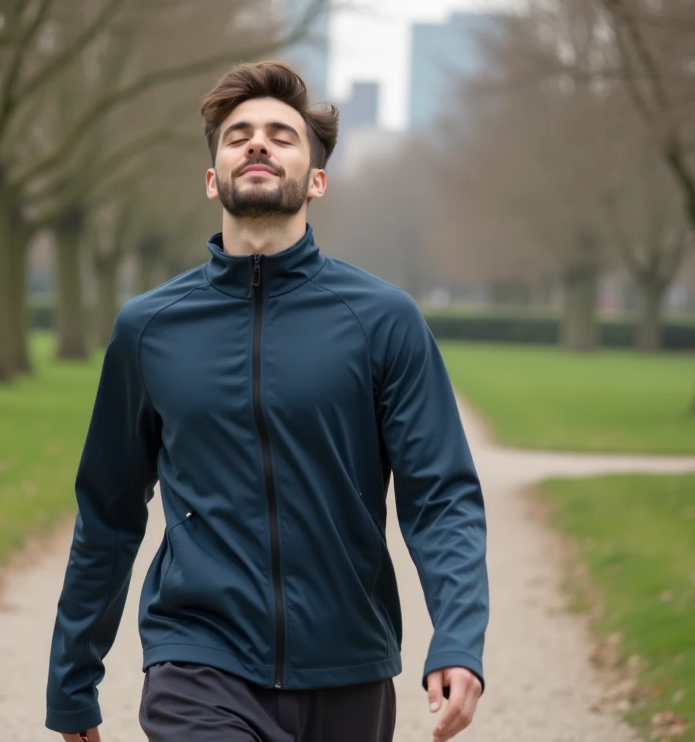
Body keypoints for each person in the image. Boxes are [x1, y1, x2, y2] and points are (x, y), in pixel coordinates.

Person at [45, 60, 489, 742]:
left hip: (350, 666)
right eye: (238, 134)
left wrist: (457, 637)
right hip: (198, 659)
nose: (256, 143)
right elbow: (107, 512)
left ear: (316, 179)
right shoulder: (149, 329)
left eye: (281, 135)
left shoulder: (383, 320)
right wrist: (72, 679)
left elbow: (441, 498)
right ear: (211, 177)